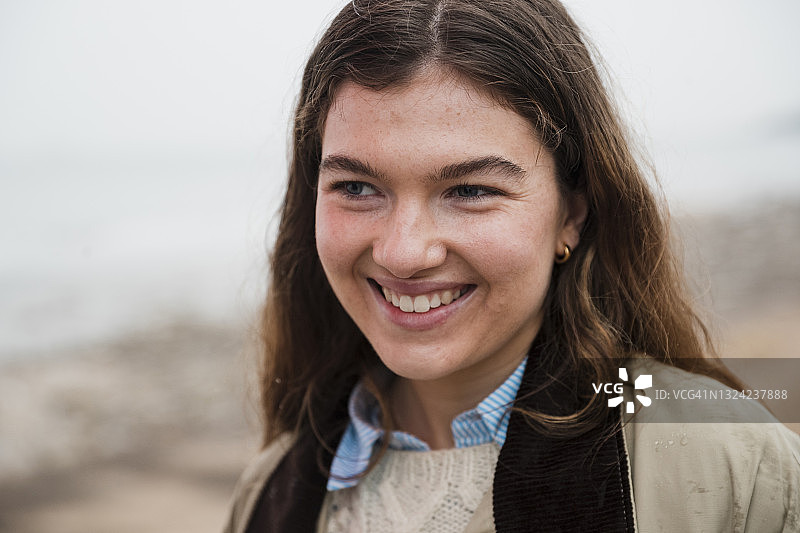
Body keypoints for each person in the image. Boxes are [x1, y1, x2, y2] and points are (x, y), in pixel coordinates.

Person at [225, 0, 800, 531]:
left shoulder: (731, 464)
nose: (403, 252)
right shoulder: (270, 494)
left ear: (571, 214)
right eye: (356, 186)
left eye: (471, 190)